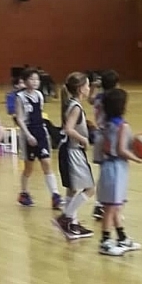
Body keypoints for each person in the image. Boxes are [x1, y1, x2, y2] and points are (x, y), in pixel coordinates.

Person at [97, 87, 142, 256]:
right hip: (116, 166)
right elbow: (122, 150)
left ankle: (121, 237)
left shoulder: (105, 123)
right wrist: (137, 158)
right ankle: (105, 242)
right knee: (111, 207)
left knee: (116, 206)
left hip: (108, 165)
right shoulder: (122, 125)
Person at [53, 72, 96, 240]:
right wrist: (83, 139)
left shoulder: (71, 103)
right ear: (80, 89)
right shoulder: (76, 107)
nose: (89, 88)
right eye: (87, 85)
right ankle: (66, 218)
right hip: (73, 151)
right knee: (90, 188)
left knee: (72, 188)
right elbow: (69, 129)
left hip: (68, 150)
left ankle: (73, 224)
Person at [15, 67, 61, 209]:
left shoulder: (40, 95)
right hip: (28, 133)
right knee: (29, 168)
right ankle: (24, 193)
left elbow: (39, 113)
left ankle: (55, 195)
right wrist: (28, 135)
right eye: (31, 79)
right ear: (25, 81)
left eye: (37, 79)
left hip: (40, 132)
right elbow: (19, 118)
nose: (35, 82)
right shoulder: (20, 97)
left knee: (46, 162)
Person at [89, 69, 120, 220]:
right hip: (109, 136)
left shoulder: (99, 98)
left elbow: (90, 99)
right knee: (111, 173)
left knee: (103, 173)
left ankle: (100, 205)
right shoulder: (113, 98)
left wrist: (93, 87)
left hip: (99, 135)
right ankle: (106, 205)